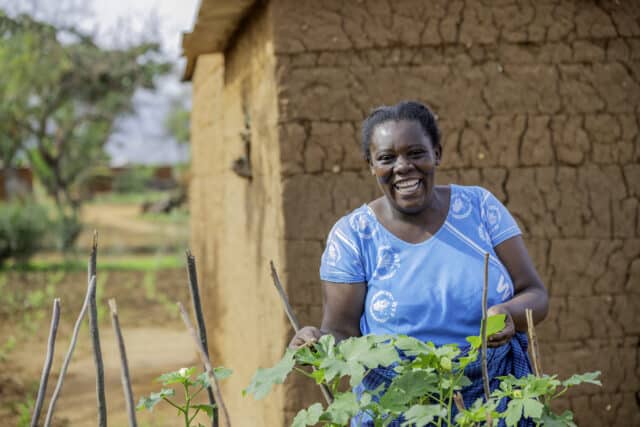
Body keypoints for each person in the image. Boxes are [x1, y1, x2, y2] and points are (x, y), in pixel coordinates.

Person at [289, 101, 549, 426]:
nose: (403, 167)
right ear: (371, 165)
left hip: (494, 403)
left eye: (415, 153)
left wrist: (508, 313)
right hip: (396, 409)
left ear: (437, 154)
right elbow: (341, 331)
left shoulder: (480, 208)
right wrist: (317, 341)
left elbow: (535, 294)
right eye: (386, 158)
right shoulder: (353, 236)